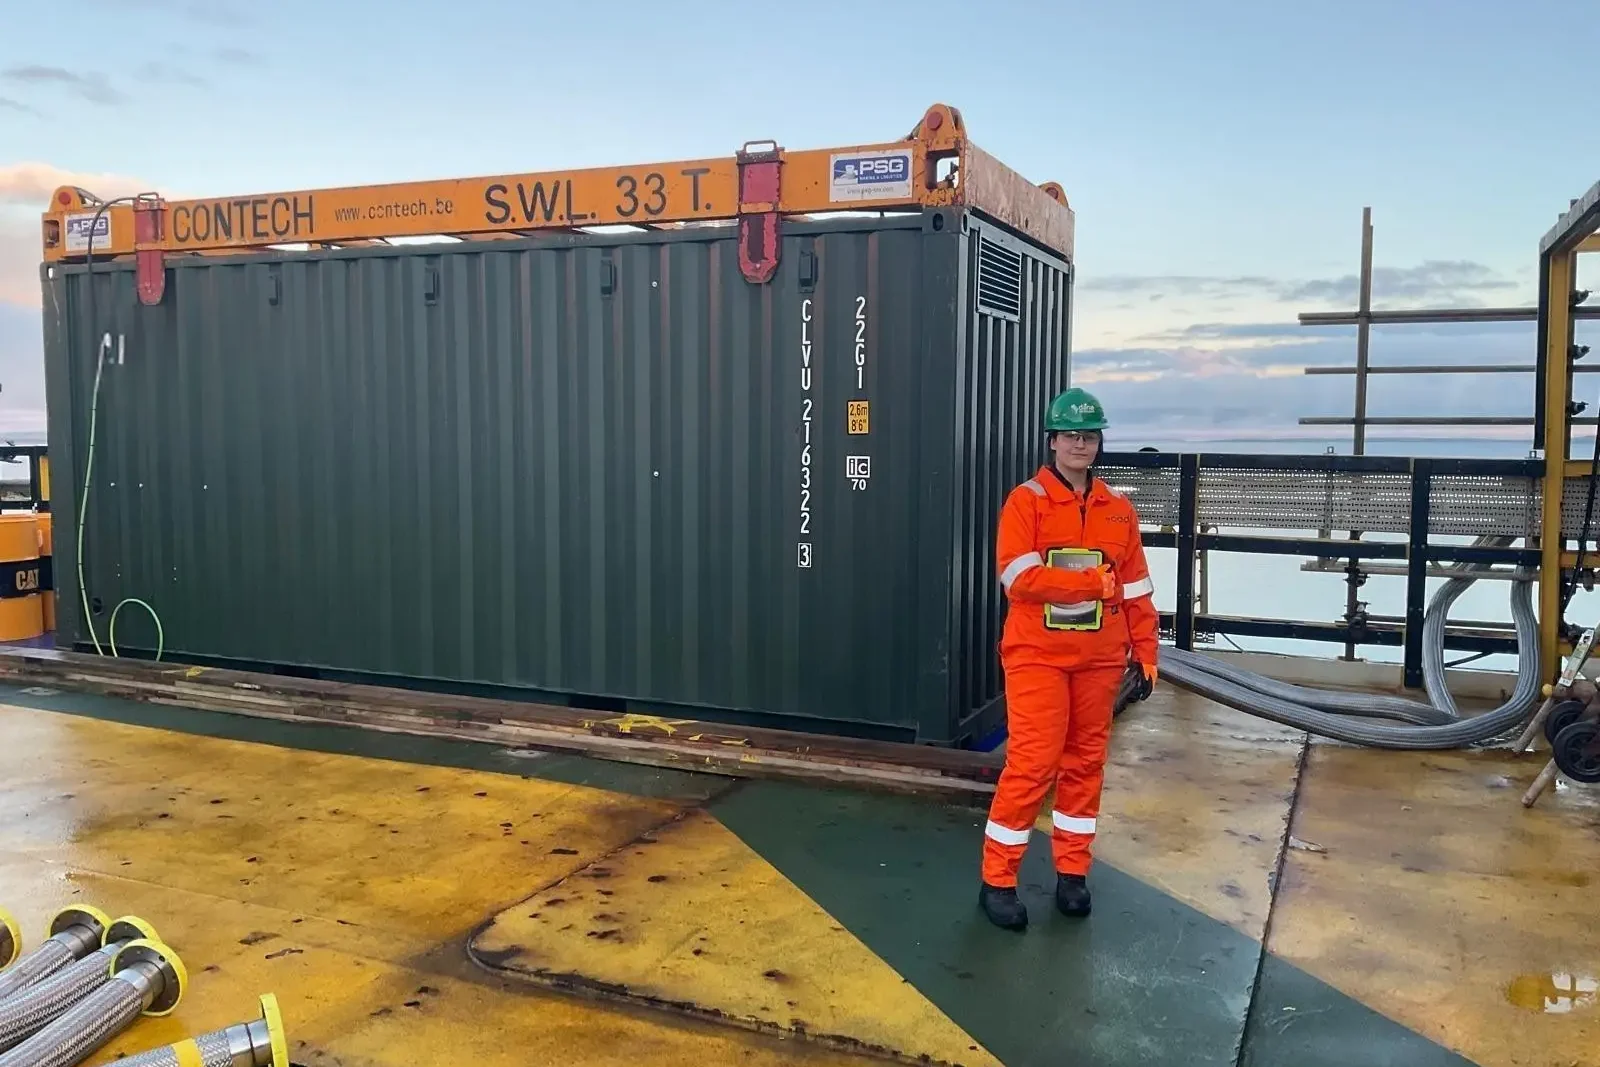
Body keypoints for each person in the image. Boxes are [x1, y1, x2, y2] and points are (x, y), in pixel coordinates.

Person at [978, 386, 1159, 930]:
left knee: (1085, 765)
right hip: (1037, 657)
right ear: (1052, 441)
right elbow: (1018, 578)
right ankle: (998, 879)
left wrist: (1146, 652)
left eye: (1089, 436)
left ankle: (1072, 872)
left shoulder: (1118, 511)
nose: (1080, 445)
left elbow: (1136, 588)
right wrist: (1087, 584)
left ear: (1099, 442)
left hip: (1101, 660)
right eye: (1070, 436)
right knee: (1032, 764)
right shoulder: (1026, 502)